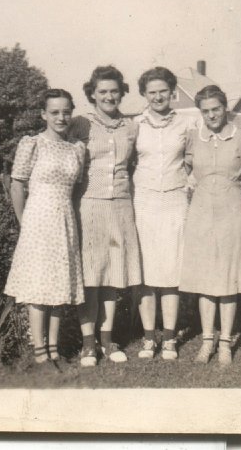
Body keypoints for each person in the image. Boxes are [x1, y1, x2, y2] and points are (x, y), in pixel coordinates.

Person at [3, 89, 86, 365]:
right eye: (54, 112)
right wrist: (23, 220)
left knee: (59, 284)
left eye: (66, 112)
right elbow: (17, 184)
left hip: (64, 218)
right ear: (43, 115)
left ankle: (54, 347)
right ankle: (39, 349)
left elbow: (76, 189)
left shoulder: (77, 148)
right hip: (38, 219)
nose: (61, 118)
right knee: (39, 285)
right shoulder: (33, 144)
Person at [179, 85, 241, 366]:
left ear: (225, 108)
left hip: (230, 211)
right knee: (205, 279)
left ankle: (225, 342)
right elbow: (185, 172)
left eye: (216, 109)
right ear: (201, 113)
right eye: (205, 111)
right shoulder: (194, 138)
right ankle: (206, 341)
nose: (211, 115)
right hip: (200, 211)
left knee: (227, 278)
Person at [70, 65, 141, 365]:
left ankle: (108, 341)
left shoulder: (131, 126)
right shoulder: (80, 125)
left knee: (113, 274)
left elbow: (135, 163)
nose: (109, 96)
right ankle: (88, 343)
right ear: (92, 94)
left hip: (121, 205)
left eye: (114, 91)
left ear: (121, 92)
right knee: (90, 274)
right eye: (103, 91)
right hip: (90, 204)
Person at [132, 67, 195, 360]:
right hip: (143, 200)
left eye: (163, 91)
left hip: (173, 200)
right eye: (151, 92)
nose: (158, 97)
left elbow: (195, 162)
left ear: (172, 92)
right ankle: (148, 338)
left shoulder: (185, 124)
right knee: (145, 272)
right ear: (144, 94)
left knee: (170, 271)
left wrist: (187, 187)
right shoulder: (135, 125)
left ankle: (168, 338)